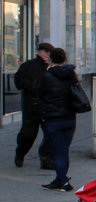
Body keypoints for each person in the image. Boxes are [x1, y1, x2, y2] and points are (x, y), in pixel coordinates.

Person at [37, 48, 81, 192]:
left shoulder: (47, 75)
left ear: (51, 59)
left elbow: (40, 94)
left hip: (53, 118)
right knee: (64, 150)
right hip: (69, 117)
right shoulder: (70, 74)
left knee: (58, 151)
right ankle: (60, 179)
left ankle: (62, 181)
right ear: (64, 59)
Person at [14, 42, 55, 170]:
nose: (48, 55)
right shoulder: (28, 65)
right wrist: (33, 85)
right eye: (46, 52)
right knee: (28, 134)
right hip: (31, 106)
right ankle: (20, 153)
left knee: (50, 134)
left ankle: (46, 159)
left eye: (50, 53)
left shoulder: (53, 67)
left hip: (48, 107)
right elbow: (19, 81)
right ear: (40, 52)